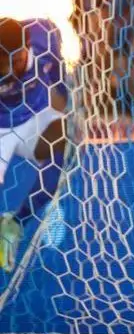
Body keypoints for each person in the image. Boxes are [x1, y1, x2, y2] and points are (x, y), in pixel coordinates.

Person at [0, 18, 67, 272]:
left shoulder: (44, 38)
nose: (10, 68)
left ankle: (14, 223)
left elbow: (59, 74)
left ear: (27, 46)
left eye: (16, 60)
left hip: (33, 119)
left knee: (60, 141)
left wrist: (64, 100)